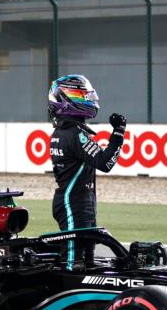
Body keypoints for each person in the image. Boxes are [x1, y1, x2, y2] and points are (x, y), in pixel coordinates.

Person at [48, 74, 127, 241]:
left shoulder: (66, 130)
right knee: (74, 260)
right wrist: (119, 132)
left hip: (80, 202)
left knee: (86, 257)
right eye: (80, 95)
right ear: (64, 98)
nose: (86, 99)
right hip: (74, 204)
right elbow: (105, 163)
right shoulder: (73, 133)